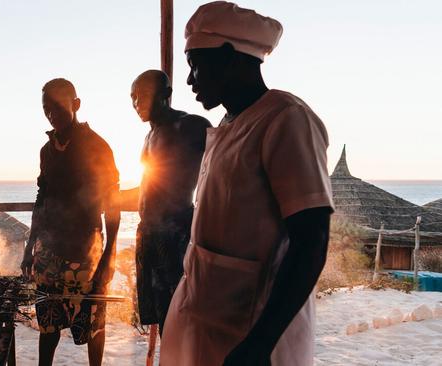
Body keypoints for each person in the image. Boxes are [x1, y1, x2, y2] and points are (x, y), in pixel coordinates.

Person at [160, 2, 334, 366]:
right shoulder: (228, 124)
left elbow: (311, 240)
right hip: (206, 319)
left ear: (227, 56)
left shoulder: (285, 120)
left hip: (251, 331)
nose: (190, 80)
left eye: (195, 64)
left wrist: (260, 343)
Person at [21, 78, 121, 366]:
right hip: (49, 253)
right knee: (48, 324)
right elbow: (42, 200)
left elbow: (112, 205)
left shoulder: (98, 147)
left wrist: (108, 257)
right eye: (45, 108)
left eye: (57, 107)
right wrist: (30, 247)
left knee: (93, 322)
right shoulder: (46, 150)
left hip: (86, 251)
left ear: (76, 105)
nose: (51, 113)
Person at [130, 70, 211, 335]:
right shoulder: (148, 135)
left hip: (175, 233)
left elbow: (225, 166)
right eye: (132, 98)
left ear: (165, 94)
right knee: (162, 316)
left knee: (182, 315)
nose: (136, 103)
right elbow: (149, 187)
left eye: (142, 96)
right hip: (149, 234)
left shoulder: (192, 126)